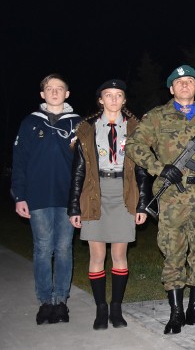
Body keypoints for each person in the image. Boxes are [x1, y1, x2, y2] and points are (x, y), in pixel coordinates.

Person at [126, 65, 195, 335]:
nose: (184, 85)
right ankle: (176, 313)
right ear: (171, 89)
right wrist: (160, 168)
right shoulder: (157, 117)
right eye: (179, 82)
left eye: (189, 81)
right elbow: (134, 146)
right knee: (173, 252)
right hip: (172, 196)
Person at [67, 79, 151, 330]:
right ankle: (100, 309)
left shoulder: (136, 128)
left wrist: (142, 204)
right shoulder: (87, 129)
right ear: (100, 100)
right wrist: (74, 207)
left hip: (124, 192)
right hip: (95, 193)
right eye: (108, 95)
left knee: (119, 254)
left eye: (118, 95)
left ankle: (116, 308)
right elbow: (78, 171)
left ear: (124, 100)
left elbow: (143, 171)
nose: (113, 99)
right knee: (97, 254)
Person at [11, 74, 81, 324]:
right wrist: (19, 195)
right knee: (42, 248)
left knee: (63, 249)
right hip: (37, 196)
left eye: (59, 88)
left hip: (68, 197)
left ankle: (60, 301)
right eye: (49, 88)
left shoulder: (78, 124)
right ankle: (44, 302)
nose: (54, 92)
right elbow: (18, 162)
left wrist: (82, 198)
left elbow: (86, 165)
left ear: (67, 94)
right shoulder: (30, 122)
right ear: (42, 94)